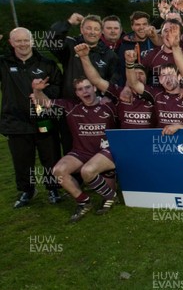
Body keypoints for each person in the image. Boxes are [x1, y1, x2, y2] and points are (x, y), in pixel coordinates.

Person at [32, 77, 118, 222]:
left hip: (106, 152)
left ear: (95, 88)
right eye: (80, 89)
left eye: (87, 87)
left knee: (87, 171)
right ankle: (84, 201)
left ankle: (111, 196)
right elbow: (43, 102)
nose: (85, 91)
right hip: (81, 152)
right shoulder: (71, 106)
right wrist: (37, 90)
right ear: (76, 93)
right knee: (58, 171)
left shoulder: (109, 105)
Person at [0, 28, 63, 208]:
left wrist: (41, 91)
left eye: (25, 40)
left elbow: (58, 88)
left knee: (50, 156)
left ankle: (53, 188)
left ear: (32, 41)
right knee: (22, 160)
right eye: (18, 41)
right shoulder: (4, 63)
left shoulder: (46, 63)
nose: (23, 44)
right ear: (11, 43)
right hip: (16, 122)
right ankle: (27, 190)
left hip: (44, 119)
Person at [75, 43, 156, 129]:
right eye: (134, 74)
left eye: (141, 74)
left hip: (149, 139)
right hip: (124, 140)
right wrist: (84, 57)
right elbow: (96, 80)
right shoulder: (118, 92)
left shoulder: (154, 93)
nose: (137, 77)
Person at [49, 13, 120, 99]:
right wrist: (68, 23)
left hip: (96, 106)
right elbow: (50, 41)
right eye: (88, 28)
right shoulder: (70, 45)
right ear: (81, 30)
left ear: (101, 32)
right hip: (70, 104)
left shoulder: (109, 55)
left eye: (96, 29)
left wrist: (106, 99)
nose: (92, 32)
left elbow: (113, 84)